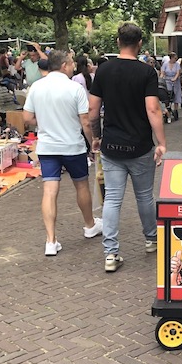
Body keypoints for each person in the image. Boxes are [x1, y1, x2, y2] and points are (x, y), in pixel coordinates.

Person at [88, 23, 167, 273]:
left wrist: (96, 136)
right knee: (144, 195)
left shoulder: (103, 70)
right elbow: (152, 109)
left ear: (117, 41)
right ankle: (151, 239)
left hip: (112, 144)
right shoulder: (147, 72)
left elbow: (93, 110)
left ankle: (110, 254)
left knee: (112, 198)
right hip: (140, 145)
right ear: (140, 43)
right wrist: (161, 142)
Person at [23, 50, 103, 256]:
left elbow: (27, 117)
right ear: (65, 65)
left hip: (47, 146)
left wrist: (45, 123)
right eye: (71, 64)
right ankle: (89, 225)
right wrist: (92, 140)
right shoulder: (74, 88)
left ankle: (51, 240)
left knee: (49, 190)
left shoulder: (37, 87)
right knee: (81, 184)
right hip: (72, 145)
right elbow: (85, 121)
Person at [160, 52, 182, 122]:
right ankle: (167, 110)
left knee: (176, 96)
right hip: (167, 81)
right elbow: (162, 73)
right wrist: (160, 79)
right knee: (167, 96)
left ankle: (175, 110)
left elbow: (178, 73)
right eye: (175, 58)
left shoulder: (177, 64)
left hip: (175, 82)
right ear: (171, 58)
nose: (176, 59)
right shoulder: (165, 64)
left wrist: (175, 78)